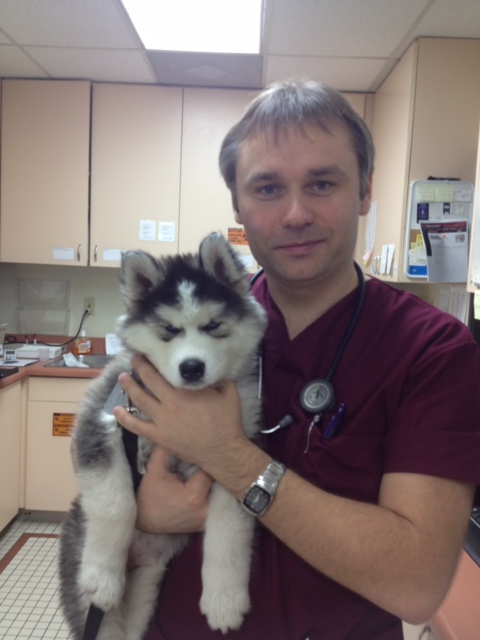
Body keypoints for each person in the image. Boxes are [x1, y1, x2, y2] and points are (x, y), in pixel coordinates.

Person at [113, 79, 480, 639]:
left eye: (322, 183)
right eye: (266, 189)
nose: (295, 214)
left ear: (364, 190)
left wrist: (229, 457)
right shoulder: (183, 338)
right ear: (236, 203)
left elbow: (416, 584)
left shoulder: (433, 352)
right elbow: (111, 482)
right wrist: (139, 513)